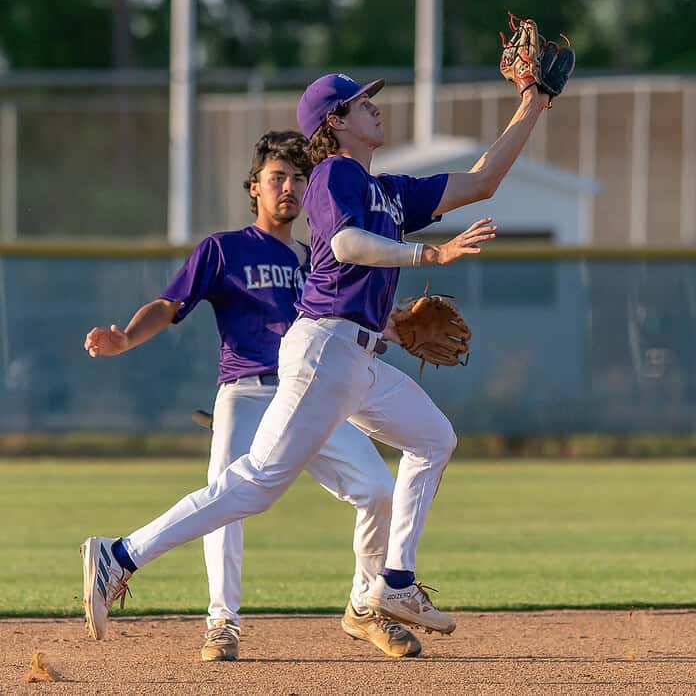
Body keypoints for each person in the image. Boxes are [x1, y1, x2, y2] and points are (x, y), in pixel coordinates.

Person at [82, 72, 550, 644]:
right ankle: (119, 555)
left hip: (362, 360)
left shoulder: (388, 190)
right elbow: (347, 244)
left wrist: (535, 102)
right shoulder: (333, 175)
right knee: (256, 484)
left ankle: (394, 581)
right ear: (334, 120)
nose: (374, 108)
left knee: (433, 439)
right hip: (323, 350)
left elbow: (482, 182)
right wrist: (430, 251)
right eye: (361, 103)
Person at [82, 130, 421, 660]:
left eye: (298, 179)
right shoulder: (224, 249)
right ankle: (222, 623)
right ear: (254, 188)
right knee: (227, 498)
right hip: (245, 391)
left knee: (377, 488)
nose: (288, 187)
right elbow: (168, 304)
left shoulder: (322, 257)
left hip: (312, 394)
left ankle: (364, 605)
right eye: (276, 178)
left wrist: (394, 330)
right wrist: (126, 336)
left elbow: (351, 323)